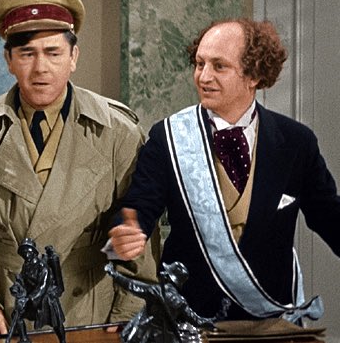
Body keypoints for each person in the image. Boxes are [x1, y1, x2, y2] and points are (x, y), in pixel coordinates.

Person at [0, 0, 155, 337]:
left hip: (90, 311)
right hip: (1, 311)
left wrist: (128, 312)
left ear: (74, 57)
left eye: (53, 53)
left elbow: (138, 237)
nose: (41, 68)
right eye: (27, 53)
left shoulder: (118, 131)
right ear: (9, 60)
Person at [108, 18, 340, 323]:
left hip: (270, 322)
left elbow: (329, 217)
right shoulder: (168, 137)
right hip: (189, 321)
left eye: (219, 66)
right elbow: (138, 208)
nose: (203, 76)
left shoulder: (296, 142)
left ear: (254, 75)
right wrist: (123, 236)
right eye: (199, 63)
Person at [105, 261, 214, 343]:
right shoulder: (180, 301)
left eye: (166, 273)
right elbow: (197, 320)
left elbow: (131, 285)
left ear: (169, 277)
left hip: (146, 335)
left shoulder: (155, 291)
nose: (163, 273)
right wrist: (213, 321)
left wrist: (114, 274)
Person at [6, 238, 65, 343]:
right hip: (31, 299)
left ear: (33, 252)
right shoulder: (26, 265)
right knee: (17, 314)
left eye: (27, 251)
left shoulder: (43, 267)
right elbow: (22, 280)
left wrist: (28, 299)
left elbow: (42, 287)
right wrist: (16, 288)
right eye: (23, 252)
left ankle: (63, 340)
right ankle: (24, 339)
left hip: (45, 300)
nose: (25, 254)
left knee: (56, 323)